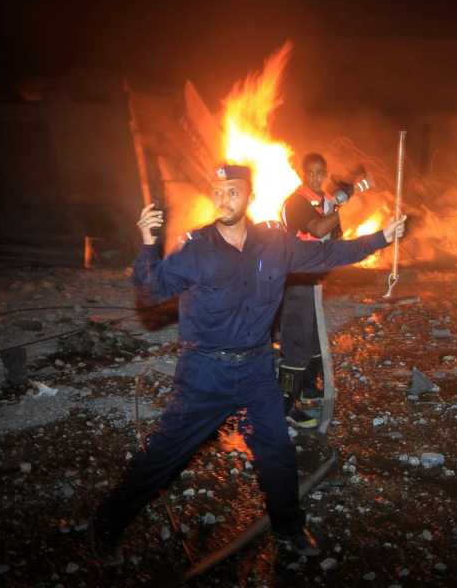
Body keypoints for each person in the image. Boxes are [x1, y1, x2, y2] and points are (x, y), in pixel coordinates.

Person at [87, 163, 406, 565]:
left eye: (233, 191)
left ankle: (289, 527)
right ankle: (106, 525)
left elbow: (326, 251)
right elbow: (151, 292)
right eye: (218, 192)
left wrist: (380, 238)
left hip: (256, 371)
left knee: (277, 454)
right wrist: (149, 243)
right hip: (205, 373)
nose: (224, 198)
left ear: (251, 197)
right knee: (164, 456)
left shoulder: (276, 243)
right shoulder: (196, 248)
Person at [278, 153, 367, 428]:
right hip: (295, 281)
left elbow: (334, 238)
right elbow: (317, 229)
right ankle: (284, 407)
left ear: (326, 174)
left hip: (315, 281)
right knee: (295, 343)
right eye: (311, 173)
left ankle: (307, 389)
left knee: (315, 339)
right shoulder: (296, 202)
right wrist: (341, 202)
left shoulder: (327, 201)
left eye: (321, 173)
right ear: (304, 174)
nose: (316, 178)